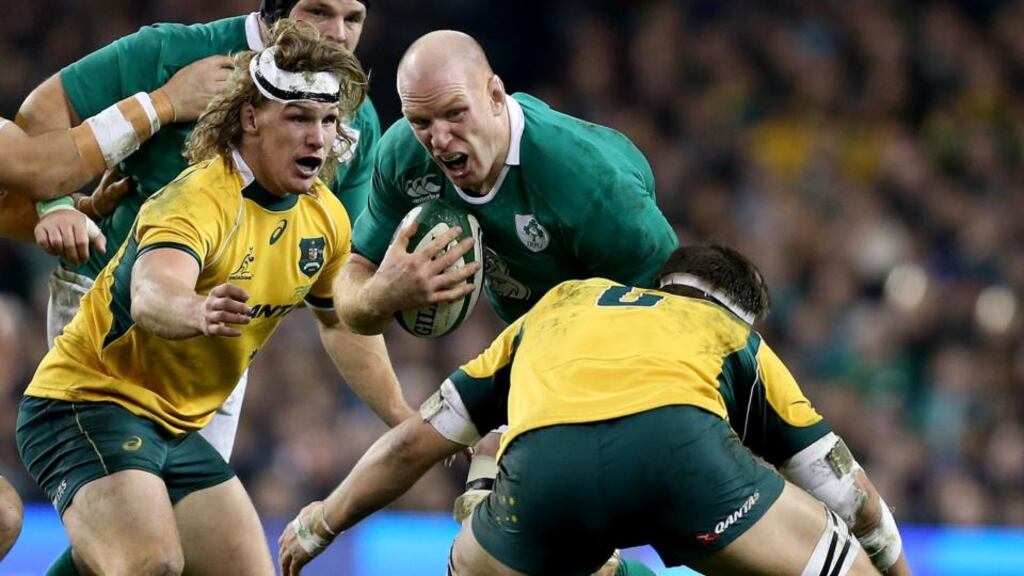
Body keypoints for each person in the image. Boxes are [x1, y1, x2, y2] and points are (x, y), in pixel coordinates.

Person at [16, 22, 405, 576]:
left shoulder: (325, 216)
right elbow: (153, 291)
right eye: (297, 117)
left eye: (326, 120)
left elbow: (341, 324)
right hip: (88, 403)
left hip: (174, 427)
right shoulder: (200, 196)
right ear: (250, 118)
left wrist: (405, 419)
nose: (317, 138)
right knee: (150, 564)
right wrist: (196, 309)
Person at [281, 245, 909, 576]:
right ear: (737, 311)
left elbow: (413, 443)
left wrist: (321, 522)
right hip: (681, 454)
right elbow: (853, 496)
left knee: (471, 557)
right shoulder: (730, 335)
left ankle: (487, 498)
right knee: (837, 562)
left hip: (547, 475)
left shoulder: (563, 303)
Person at [332, 29, 678, 537]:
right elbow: (351, 289)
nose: (439, 138)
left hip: (622, 355)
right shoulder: (405, 157)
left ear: (495, 96)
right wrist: (385, 291)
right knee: (492, 543)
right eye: (421, 121)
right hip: (534, 348)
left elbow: (677, 308)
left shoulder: (588, 180)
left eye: (455, 113)